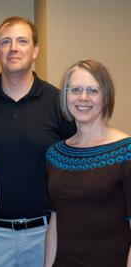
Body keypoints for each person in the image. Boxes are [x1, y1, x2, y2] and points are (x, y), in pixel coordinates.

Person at [0, 16, 75, 267]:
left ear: (35, 50)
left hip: (45, 235)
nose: (13, 48)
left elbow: (73, 169)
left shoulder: (59, 103)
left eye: (22, 41)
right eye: (6, 42)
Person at [44, 59, 131, 267]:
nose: (83, 97)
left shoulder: (126, 151)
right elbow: (55, 222)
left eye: (93, 90)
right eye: (75, 89)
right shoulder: (55, 154)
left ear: (106, 96)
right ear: (65, 96)